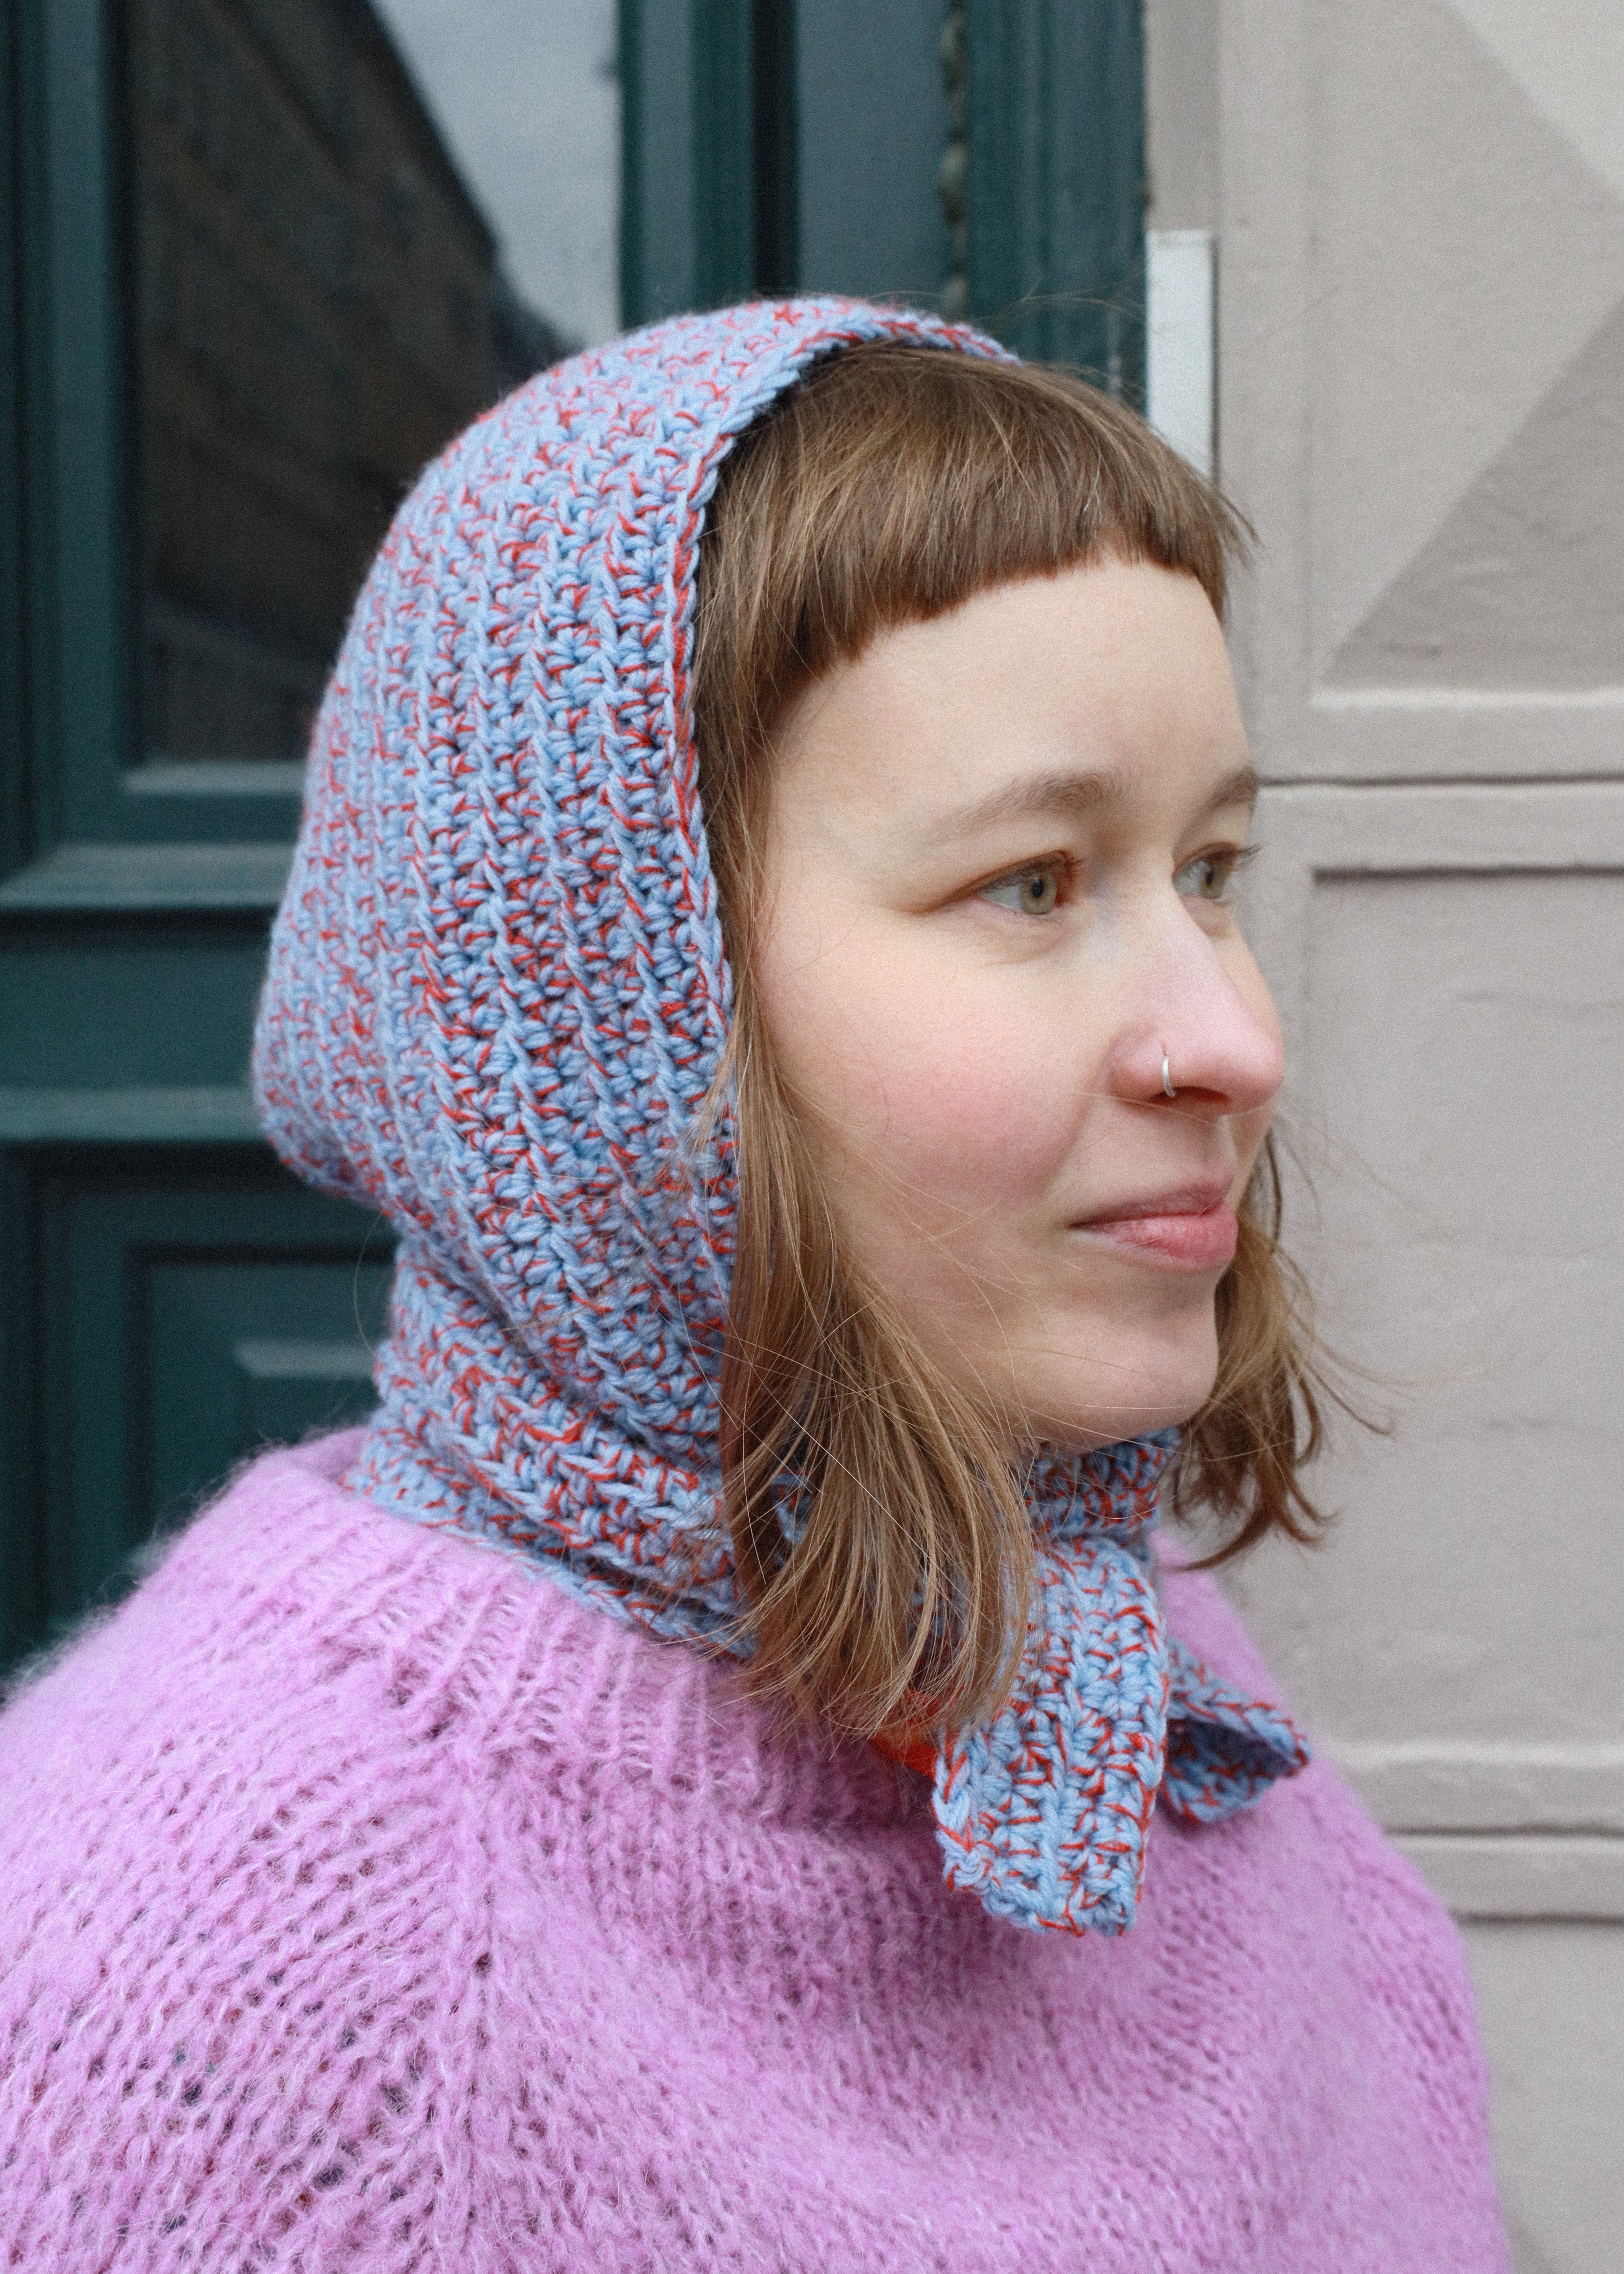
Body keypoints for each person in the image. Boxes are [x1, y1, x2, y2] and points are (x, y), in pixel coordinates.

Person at [0, 300, 1507, 2268]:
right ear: (608, 1013)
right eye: (1034, 883)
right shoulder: (212, 1977)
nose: (1233, 1038)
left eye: (1209, 868)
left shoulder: (1109, 1664)